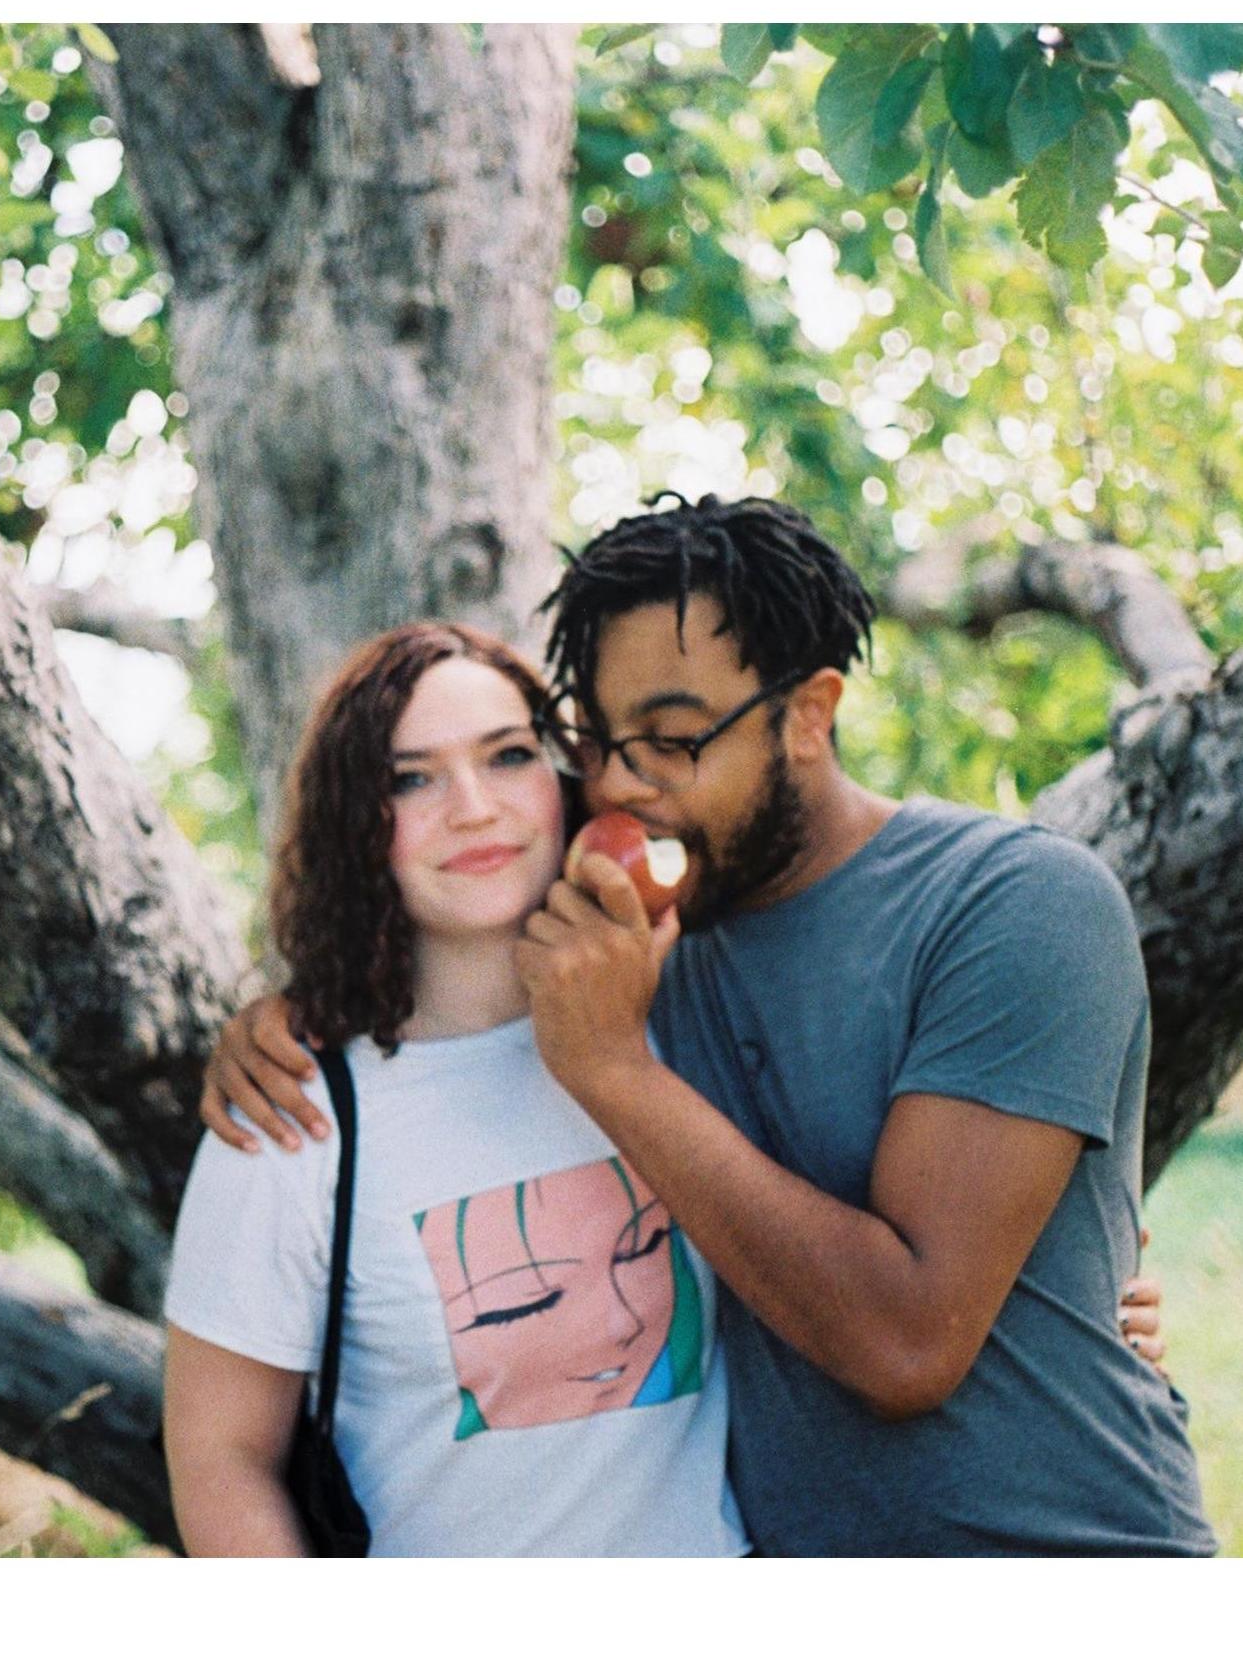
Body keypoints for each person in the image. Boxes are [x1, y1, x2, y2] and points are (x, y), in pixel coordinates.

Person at [202, 494, 1212, 1557]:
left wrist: (614, 1071)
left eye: (675, 739)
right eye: (598, 740)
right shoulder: (636, 947)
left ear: (810, 713)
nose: (626, 782)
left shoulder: (1012, 904)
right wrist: (279, 1021)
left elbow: (907, 1344)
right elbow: (439, 941)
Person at [162, 623, 749, 1556]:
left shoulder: (686, 1015)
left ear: (563, 783)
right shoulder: (297, 1109)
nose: (473, 808)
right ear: (359, 825)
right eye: (411, 777)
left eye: (508, 756)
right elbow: (220, 1455)